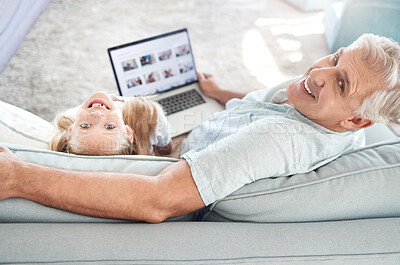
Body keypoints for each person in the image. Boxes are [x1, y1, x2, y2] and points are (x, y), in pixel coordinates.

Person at [1, 33, 399, 223]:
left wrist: (19, 177)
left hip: (174, 171)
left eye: (341, 82)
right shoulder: (312, 98)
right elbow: (268, 100)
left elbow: (157, 200)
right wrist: (220, 92)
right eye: (335, 57)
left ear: (356, 120)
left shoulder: (275, 142)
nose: (318, 71)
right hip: (194, 141)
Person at [50, 92, 172, 156]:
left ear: (70, 131)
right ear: (128, 132)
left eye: (85, 126)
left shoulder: (69, 115)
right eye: (109, 127)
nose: (97, 114)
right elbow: (167, 149)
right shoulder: (152, 115)